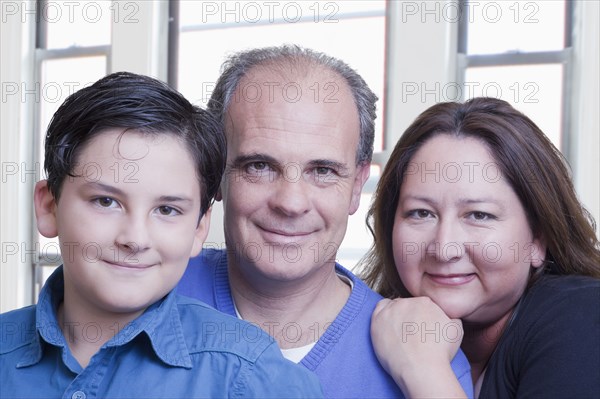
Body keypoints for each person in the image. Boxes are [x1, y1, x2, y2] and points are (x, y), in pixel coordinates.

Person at [0, 72, 323, 398]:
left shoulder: (252, 375)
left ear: (199, 228)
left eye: (167, 210)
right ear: (49, 207)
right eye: (106, 201)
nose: (135, 239)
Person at [176, 45, 473, 398]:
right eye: (259, 166)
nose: (290, 202)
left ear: (357, 185)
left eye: (322, 171)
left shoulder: (427, 365)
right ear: (217, 174)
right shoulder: (148, 289)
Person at [361, 97, 600, 398]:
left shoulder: (583, 318)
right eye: (421, 213)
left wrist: (423, 369)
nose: (444, 248)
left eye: (479, 215)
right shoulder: (377, 327)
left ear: (538, 239)